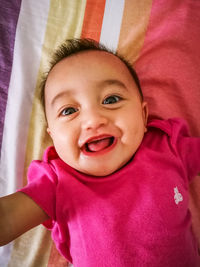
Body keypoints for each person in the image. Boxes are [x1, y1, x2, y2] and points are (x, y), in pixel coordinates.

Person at [0, 38, 200, 267]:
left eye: (111, 99)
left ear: (143, 116)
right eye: (69, 110)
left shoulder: (168, 148)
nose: (93, 120)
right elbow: (6, 218)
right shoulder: (56, 183)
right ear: (53, 136)